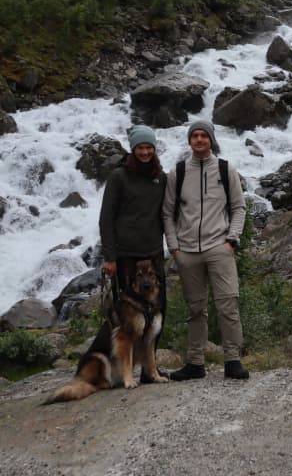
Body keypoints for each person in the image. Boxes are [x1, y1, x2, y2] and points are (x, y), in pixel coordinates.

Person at [162, 119, 249, 380]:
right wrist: (174, 248)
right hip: (187, 251)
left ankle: (233, 360)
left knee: (228, 305)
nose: (199, 140)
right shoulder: (177, 173)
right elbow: (167, 213)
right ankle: (195, 363)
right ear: (190, 140)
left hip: (218, 247)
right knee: (195, 309)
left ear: (211, 140)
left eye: (203, 136)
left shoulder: (225, 169)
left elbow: (239, 207)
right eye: (195, 136)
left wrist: (231, 240)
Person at [99, 124, 167, 382]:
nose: (145, 152)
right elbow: (106, 217)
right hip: (126, 256)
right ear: (133, 149)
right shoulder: (118, 177)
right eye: (141, 147)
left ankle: (150, 370)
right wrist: (109, 256)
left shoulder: (161, 177)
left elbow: (169, 211)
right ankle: (123, 372)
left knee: (158, 315)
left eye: (149, 147)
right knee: (127, 321)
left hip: (153, 253)